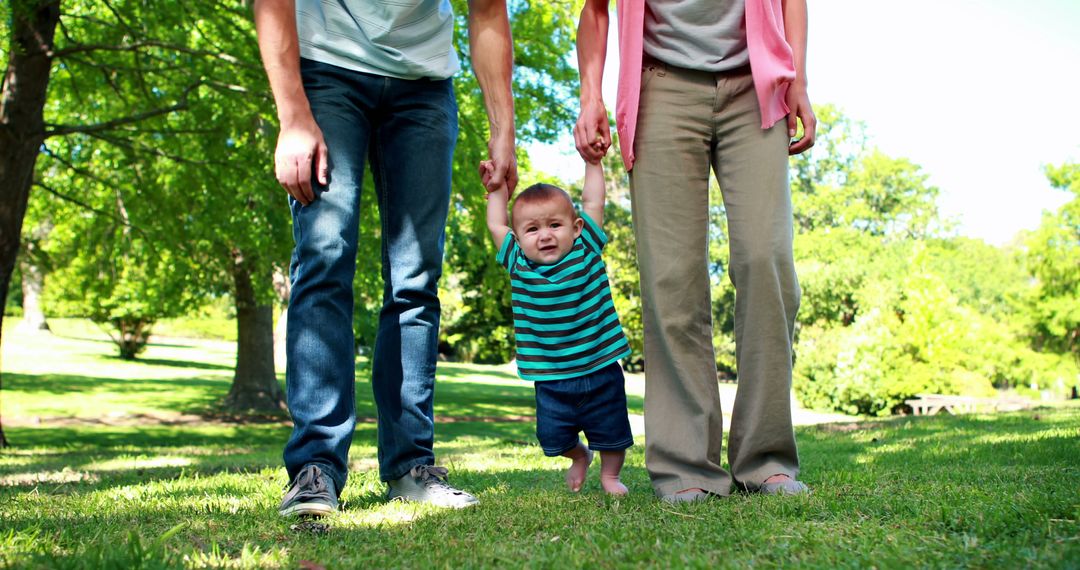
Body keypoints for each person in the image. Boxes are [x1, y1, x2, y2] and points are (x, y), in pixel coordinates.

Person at [253, 0, 517, 516]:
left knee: (416, 277)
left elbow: (487, 11)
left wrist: (503, 127)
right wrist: (292, 115)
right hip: (326, 69)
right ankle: (316, 468)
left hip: (423, 86)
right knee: (324, 257)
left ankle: (410, 465)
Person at [574, 0, 817, 502]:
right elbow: (596, 10)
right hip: (660, 85)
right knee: (672, 276)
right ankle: (686, 466)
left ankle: (766, 460)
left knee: (766, 259)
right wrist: (590, 95)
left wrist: (800, 79)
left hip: (757, 83)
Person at [483, 154, 633, 496]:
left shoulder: (587, 250)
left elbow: (594, 201)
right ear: (518, 239)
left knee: (612, 432)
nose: (545, 235)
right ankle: (579, 456)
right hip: (551, 380)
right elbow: (496, 225)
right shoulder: (518, 264)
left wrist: (594, 162)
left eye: (555, 225)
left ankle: (610, 476)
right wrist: (496, 189)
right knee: (553, 438)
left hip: (600, 369)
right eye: (532, 229)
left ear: (576, 228)